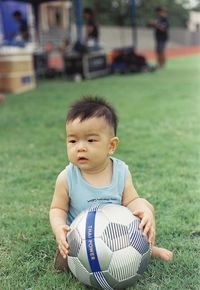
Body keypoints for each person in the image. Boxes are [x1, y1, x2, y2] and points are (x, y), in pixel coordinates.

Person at [49, 96, 173, 272]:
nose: (80, 147)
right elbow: (57, 209)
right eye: (73, 141)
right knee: (76, 251)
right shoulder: (67, 177)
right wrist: (59, 228)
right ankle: (73, 256)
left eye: (90, 140)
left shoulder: (120, 172)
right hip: (83, 237)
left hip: (116, 233)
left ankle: (146, 247)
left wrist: (145, 211)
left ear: (111, 145)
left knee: (145, 205)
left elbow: (131, 201)